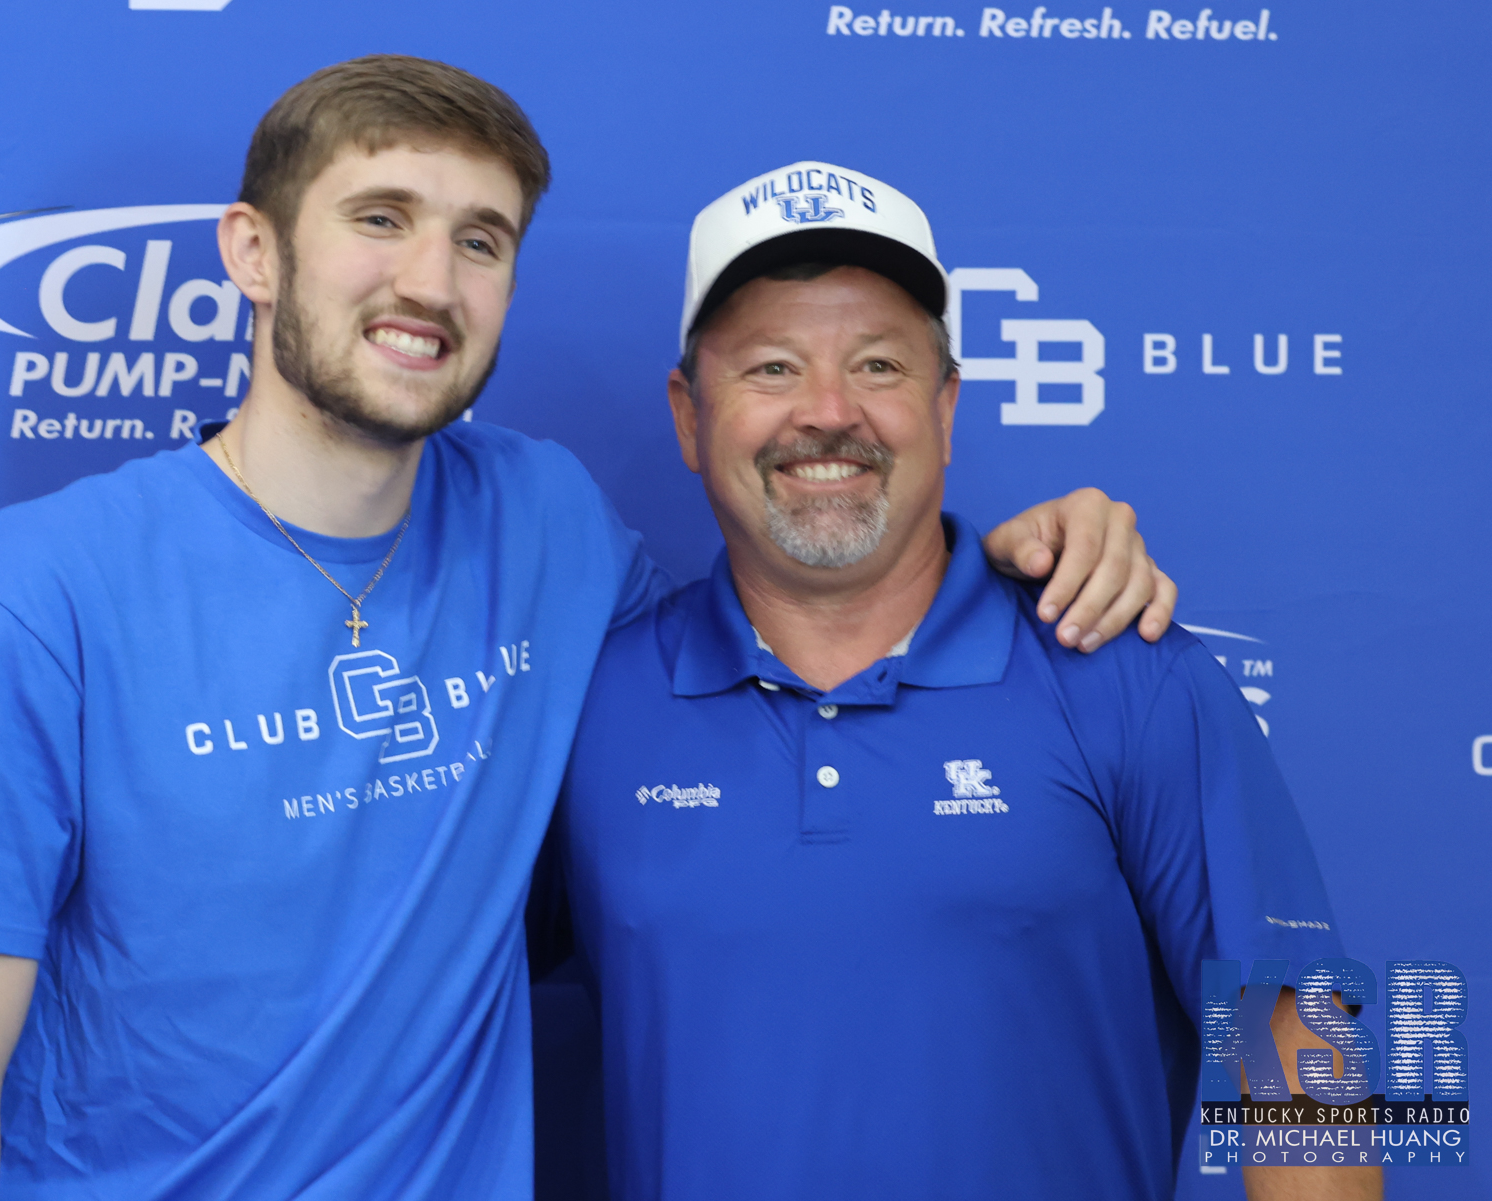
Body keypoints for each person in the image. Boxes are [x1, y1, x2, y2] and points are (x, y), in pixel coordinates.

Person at [0, 62, 1176, 1201]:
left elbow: (1325, 1004)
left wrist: (1014, 550)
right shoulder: (36, 593)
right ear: (252, 250)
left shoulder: (553, 526)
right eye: (382, 218)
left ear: (949, 404)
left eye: (481, 240)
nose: (431, 281)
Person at [542, 162, 1378, 1200]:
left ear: (946, 406)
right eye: (770, 368)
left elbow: (1299, 1032)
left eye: (881, 365)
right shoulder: (584, 700)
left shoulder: (1123, 667)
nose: (829, 411)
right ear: (688, 414)